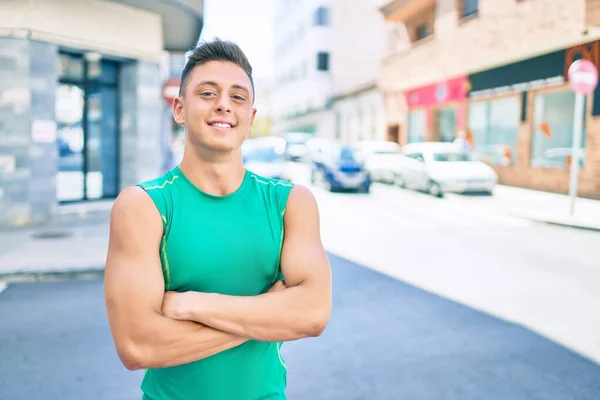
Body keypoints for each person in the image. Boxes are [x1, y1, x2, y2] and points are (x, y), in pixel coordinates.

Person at [104, 38, 332, 400]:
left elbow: (313, 315)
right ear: (179, 109)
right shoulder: (144, 206)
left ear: (251, 119)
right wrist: (270, 316)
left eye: (238, 97)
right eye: (208, 93)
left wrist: (193, 304)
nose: (224, 105)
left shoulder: (290, 203)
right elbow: (138, 346)